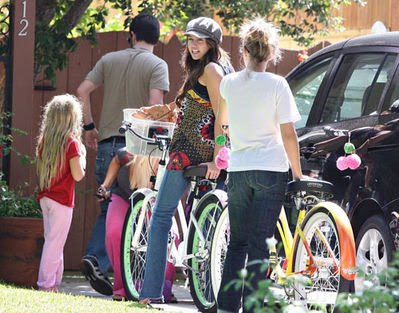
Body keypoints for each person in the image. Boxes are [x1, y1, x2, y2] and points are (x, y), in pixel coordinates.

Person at [138, 16, 233, 304]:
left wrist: (218, 157)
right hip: (188, 149)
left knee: (161, 217)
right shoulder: (205, 69)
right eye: (191, 40)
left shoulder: (213, 70)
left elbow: (222, 117)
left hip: (191, 153)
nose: (193, 45)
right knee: (197, 223)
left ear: (212, 44)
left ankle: (151, 292)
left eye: (200, 41)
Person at [76, 13, 169, 295]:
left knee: (111, 208)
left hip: (106, 144)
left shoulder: (109, 60)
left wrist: (89, 127)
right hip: (137, 148)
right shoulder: (157, 65)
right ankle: (115, 268)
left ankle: (103, 263)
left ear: (132, 33)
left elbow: (82, 91)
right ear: (157, 38)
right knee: (140, 211)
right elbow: (155, 108)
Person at [216, 18, 303, 313]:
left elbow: (223, 123)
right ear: (271, 54)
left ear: (244, 51)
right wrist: (299, 173)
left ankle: (227, 306)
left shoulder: (228, 83)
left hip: (239, 168)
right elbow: (289, 134)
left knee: (237, 242)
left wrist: (230, 138)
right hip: (271, 168)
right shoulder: (278, 84)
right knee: (260, 244)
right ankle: (252, 308)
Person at [97, 105, 178, 302]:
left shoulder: (171, 154)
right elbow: (116, 161)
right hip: (125, 195)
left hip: (156, 198)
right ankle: (121, 289)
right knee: (116, 232)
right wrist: (105, 186)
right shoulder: (133, 151)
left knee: (170, 237)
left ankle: (163, 288)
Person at [36, 94, 86, 292]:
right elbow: (78, 175)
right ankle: (46, 285)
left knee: (54, 242)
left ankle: (54, 283)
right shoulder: (71, 143)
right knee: (55, 244)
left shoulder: (45, 141)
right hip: (62, 201)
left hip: (46, 197)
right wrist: (82, 156)